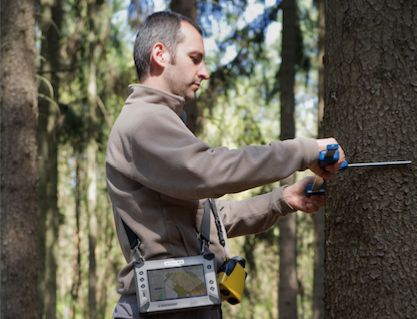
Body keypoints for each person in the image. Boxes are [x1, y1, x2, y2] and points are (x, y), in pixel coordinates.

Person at [106, 11, 345, 319]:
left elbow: (210, 220)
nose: (204, 72)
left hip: (182, 306)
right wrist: (304, 151)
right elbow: (210, 171)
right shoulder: (143, 121)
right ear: (160, 55)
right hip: (161, 310)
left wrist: (283, 200)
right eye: (195, 58)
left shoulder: (162, 125)